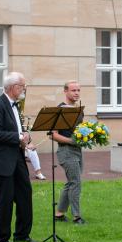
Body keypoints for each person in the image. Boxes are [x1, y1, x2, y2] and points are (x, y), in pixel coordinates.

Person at [0, 72, 36, 242]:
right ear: (13, 88)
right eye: (22, 86)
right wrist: (18, 137)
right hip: (0, 161)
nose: (24, 90)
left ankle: (22, 234)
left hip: (16, 158)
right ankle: (2, 238)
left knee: (25, 196)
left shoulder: (16, 105)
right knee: (5, 200)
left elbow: (16, 130)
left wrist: (26, 139)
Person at [51, 81, 86, 224]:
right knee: (76, 183)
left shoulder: (79, 110)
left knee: (71, 182)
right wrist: (70, 141)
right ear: (65, 91)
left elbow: (80, 131)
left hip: (78, 150)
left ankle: (59, 214)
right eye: (73, 90)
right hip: (66, 151)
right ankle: (77, 216)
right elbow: (53, 134)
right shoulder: (59, 110)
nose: (76, 93)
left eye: (78, 90)